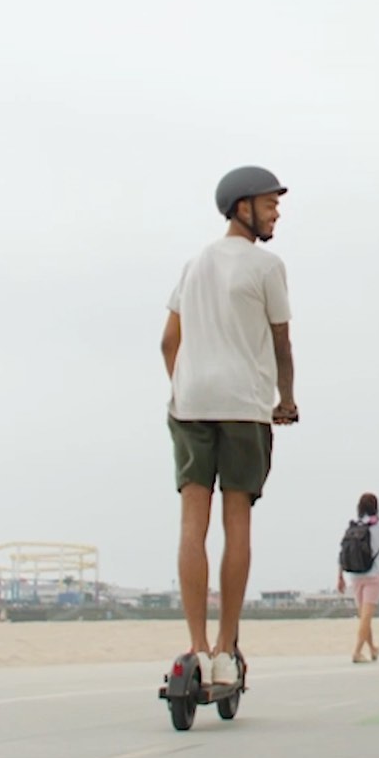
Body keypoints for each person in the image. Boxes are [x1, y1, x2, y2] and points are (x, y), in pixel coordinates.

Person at [161, 165, 298, 687]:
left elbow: (167, 342)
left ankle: (195, 646)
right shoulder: (267, 266)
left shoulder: (194, 264)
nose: (276, 213)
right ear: (243, 207)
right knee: (236, 521)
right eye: (270, 204)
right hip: (243, 405)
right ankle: (224, 649)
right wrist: (286, 399)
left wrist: (186, 385)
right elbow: (281, 341)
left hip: (191, 403)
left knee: (191, 523)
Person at [337, 493, 379, 663]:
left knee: (364, 616)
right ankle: (357, 652)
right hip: (373, 576)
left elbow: (343, 553)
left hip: (355, 576)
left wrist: (340, 576)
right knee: (366, 616)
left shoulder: (353, 527)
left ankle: (372, 649)